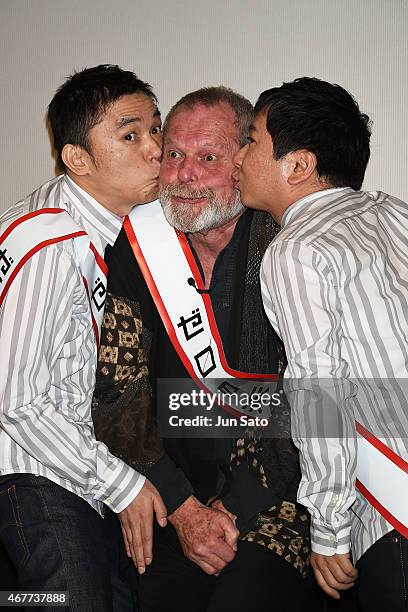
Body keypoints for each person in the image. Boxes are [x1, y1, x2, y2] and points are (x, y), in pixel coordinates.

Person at [95, 86, 321, 611]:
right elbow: (116, 395)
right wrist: (184, 508)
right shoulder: (138, 247)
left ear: (243, 160)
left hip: (287, 503)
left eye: (208, 157)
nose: (184, 175)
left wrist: (233, 506)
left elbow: (319, 399)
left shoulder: (289, 248)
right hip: (178, 502)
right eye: (173, 154)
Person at [233, 76, 408, 611]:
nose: (239, 156)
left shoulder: (295, 248)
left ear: (299, 165)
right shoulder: (396, 214)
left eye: (253, 139)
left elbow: (319, 387)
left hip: (390, 514)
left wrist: (329, 527)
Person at [0, 64, 167, 611]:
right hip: (33, 478)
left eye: (155, 129)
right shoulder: (53, 240)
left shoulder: (78, 231)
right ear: (78, 159)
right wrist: (124, 485)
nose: (154, 148)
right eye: (130, 134)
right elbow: (18, 400)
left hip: (64, 479)